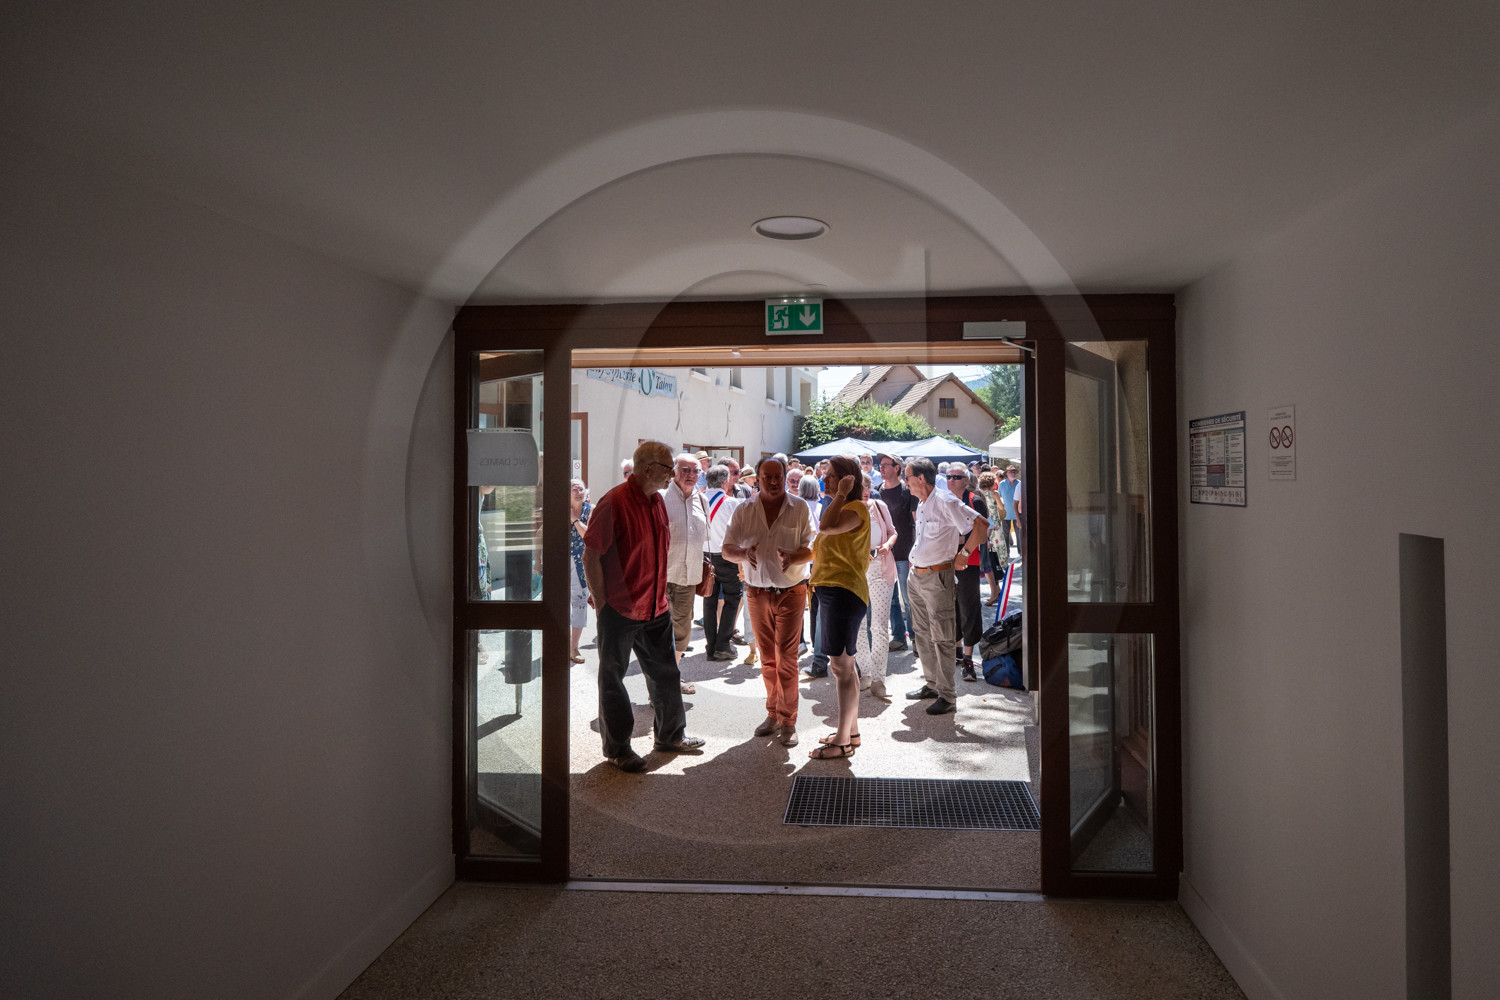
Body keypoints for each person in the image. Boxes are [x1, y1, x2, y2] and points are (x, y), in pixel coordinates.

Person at [582, 441, 705, 772]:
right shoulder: (613, 503)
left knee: (666, 673)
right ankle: (618, 748)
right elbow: (590, 555)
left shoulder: (657, 501)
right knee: (613, 679)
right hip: (620, 610)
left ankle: (669, 736)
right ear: (649, 469)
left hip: (656, 607)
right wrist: (603, 604)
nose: (672, 475)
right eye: (668, 469)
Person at [721, 457, 814, 747]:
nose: (773, 482)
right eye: (767, 476)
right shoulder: (743, 510)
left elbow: (812, 549)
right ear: (757, 479)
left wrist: (792, 557)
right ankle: (773, 714)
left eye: (778, 476)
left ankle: (788, 720)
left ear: (786, 477)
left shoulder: (799, 507)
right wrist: (742, 554)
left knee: (786, 658)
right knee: (768, 659)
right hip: (756, 592)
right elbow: (726, 549)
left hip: (791, 592)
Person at [902, 457, 988, 715]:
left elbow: (982, 526)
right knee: (922, 633)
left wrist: (964, 554)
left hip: (937, 577)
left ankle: (948, 696)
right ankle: (932, 684)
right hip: (917, 576)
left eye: (907, 477)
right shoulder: (924, 501)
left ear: (920, 478)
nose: (906, 482)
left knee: (942, 637)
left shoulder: (945, 500)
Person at [807, 455, 870, 759]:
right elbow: (820, 548)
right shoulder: (841, 507)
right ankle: (851, 732)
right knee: (845, 667)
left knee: (841, 668)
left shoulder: (854, 507)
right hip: (832, 591)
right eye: (826, 476)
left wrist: (844, 492)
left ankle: (842, 742)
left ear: (848, 478)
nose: (825, 480)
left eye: (832, 476)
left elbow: (826, 526)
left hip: (844, 592)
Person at [662, 452, 710, 693]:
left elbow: (707, 538)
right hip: (660, 578)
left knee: (681, 631)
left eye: (695, 471)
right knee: (657, 633)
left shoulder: (702, 501)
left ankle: (671, 677)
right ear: (674, 471)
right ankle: (657, 684)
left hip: (688, 578)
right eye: (685, 470)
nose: (690, 475)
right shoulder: (660, 498)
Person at [854, 473, 897, 700]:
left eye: (868, 485)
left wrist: (887, 546)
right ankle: (866, 673)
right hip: (856, 572)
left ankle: (879, 678)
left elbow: (892, 532)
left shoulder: (879, 506)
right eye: (862, 486)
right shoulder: (848, 509)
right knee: (859, 624)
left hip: (881, 568)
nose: (866, 490)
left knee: (879, 625)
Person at [946, 466, 985, 681]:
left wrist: (962, 547)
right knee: (951, 607)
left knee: (968, 607)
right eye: (948, 477)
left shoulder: (974, 500)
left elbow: (981, 533)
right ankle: (957, 649)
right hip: (945, 562)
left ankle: (969, 658)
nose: (951, 480)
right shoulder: (945, 501)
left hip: (970, 562)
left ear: (966, 480)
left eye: (956, 477)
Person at [701, 464, 742, 662]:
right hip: (726, 556)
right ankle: (723, 645)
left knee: (709, 599)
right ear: (725, 482)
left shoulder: (698, 499)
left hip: (705, 555)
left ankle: (711, 646)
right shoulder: (731, 502)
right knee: (733, 598)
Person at [877, 453, 917, 652]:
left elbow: (916, 523)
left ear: (897, 468)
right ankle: (899, 637)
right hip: (884, 555)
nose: (881, 468)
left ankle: (916, 638)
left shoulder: (907, 492)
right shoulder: (877, 492)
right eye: (880, 465)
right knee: (891, 599)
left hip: (904, 554)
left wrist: (916, 553)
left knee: (909, 598)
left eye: (886, 465)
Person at [798, 474, 829, 679]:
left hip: (802, 563)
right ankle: (817, 650)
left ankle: (803, 643)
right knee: (816, 609)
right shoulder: (821, 507)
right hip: (818, 563)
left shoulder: (797, 507)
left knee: (800, 606)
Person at [567, 479, 591, 663]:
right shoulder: (559, 507)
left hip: (581, 565)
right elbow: (542, 532)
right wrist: (538, 561)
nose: (578, 492)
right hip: (560, 563)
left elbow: (588, 535)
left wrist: (574, 520)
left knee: (580, 604)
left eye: (580, 489)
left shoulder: (591, 510)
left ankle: (573, 647)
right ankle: (560, 643)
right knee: (559, 605)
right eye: (574, 489)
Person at [977, 470, 1005, 605]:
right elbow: (1001, 507)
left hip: (986, 526)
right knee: (994, 558)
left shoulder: (979, 495)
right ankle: (996, 590)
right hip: (995, 526)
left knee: (990, 560)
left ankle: (996, 591)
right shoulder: (994, 494)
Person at [997, 464, 1023, 559]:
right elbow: (999, 496)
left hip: (1017, 514)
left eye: (1013, 472)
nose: (1012, 473)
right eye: (1010, 472)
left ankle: (1021, 553)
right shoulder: (1002, 484)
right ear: (1006, 474)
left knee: (1019, 534)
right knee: (1005, 535)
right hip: (1006, 513)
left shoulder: (1019, 483)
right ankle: (1006, 553)